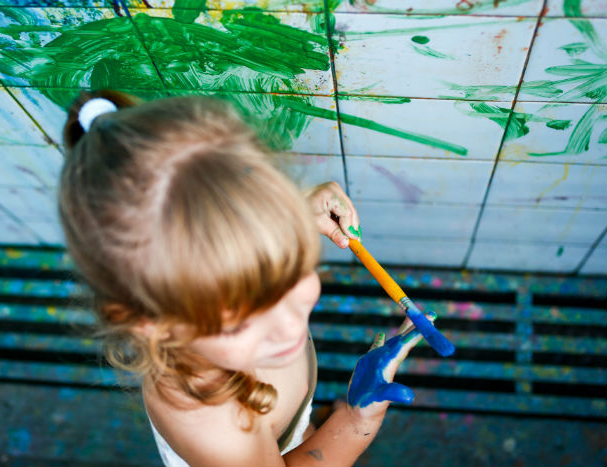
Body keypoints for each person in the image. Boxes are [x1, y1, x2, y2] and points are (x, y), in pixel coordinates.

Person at [58, 90, 431, 467]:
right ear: (153, 325)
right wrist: (353, 421)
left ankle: (302, 428)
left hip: (277, 424)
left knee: (297, 430)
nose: (290, 327)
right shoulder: (209, 420)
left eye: (291, 274)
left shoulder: (231, 288)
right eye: (240, 319)